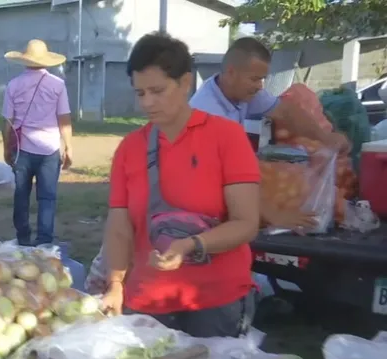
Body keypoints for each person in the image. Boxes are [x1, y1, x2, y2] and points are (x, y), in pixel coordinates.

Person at [100, 33, 261, 338]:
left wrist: (192, 245)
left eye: (157, 91)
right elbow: (119, 225)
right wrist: (115, 285)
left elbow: (246, 223)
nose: (147, 102)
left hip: (215, 302)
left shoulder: (226, 137)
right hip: (148, 300)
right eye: (140, 93)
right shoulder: (129, 149)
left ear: (185, 82)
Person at [190, 37, 350, 230]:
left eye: (262, 79)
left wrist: (325, 138)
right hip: (201, 205)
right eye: (255, 79)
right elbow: (224, 178)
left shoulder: (239, 91)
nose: (260, 86)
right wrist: (273, 214)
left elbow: (285, 111)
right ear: (231, 73)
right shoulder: (208, 114)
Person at [2, 39, 73, 246]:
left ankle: (23, 238)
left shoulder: (13, 85)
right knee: (47, 197)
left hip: (22, 148)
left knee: (21, 194)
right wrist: (68, 147)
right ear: (46, 61)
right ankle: (44, 241)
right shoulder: (58, 85)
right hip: (50, 149)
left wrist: (7, 148)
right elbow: (64, 119)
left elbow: (7, 122)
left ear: (25, 60)